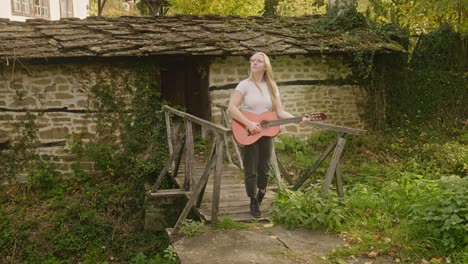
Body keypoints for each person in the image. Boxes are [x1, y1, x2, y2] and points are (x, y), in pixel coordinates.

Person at [227, 52, 305, 218]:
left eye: (258, 61)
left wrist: (297, 119)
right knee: (250, 168)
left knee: (265, 168)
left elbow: (280, 111)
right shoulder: (244, 85)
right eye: (252, 60)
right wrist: (249, 124)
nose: (254, 63)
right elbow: (231, 108)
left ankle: (262, 190)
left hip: (267, 132)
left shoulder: (272, 86)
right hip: (248, 131)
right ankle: (253, 200)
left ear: (265, 65)